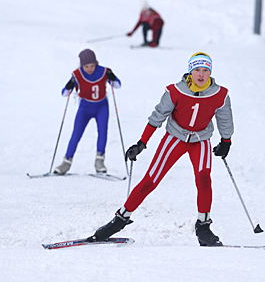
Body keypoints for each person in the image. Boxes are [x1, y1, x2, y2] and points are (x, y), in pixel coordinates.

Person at [88, 52, 234, 246]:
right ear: (190, 72)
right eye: (197, 70)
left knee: (204, 179)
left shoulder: (220, 94)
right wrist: (141, 143)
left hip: (201, 140)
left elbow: (225, 119)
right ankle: (119, 220)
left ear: (210, 72)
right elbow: (157, 117)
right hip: (175, 138)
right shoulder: (175, 91)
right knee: (151, 180)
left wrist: (226, 141)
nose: (201, 75)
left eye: (205, 70)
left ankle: (204, 227)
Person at [53, 49, 121, 175]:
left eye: (92, 66)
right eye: (86, 66)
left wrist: (113, 78)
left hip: (101, 107)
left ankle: (99, 161)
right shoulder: (77, 75)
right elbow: (64, 93)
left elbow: (117, 85)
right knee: (76, 134)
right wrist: (69, 86)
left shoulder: (104, 71)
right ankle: (66, 163)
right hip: (85, 108)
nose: (90, 69)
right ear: (81, 65)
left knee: (102, 132)